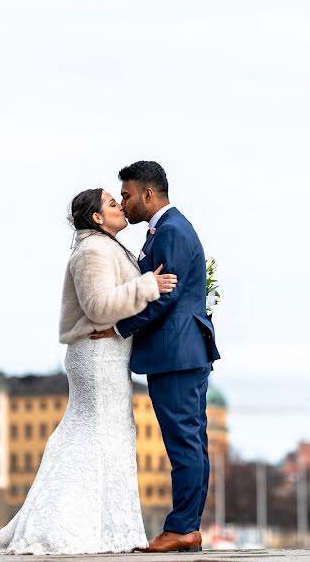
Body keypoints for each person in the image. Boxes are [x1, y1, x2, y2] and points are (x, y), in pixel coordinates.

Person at [0, 188, 177, 555]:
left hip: (106, 355)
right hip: (97, 356)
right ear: (97, 218)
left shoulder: (104, 247)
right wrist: (148, 286)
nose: (121, 205)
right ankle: (70, 527)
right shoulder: (92, 251)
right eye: (112, 202)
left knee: (98, 435)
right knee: (98, 434)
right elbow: (99, 306)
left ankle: (99, 527)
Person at [91, 160, 220, 553]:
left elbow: (166, 296)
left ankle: (182, 527)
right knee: (192, 442)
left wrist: (118, 328)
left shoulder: (171, 231)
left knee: (184, 444)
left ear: (149, 194)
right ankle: (188, 527)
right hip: (182, 352)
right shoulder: (169, 229)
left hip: (175, 354)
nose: (125, 203)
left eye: (127, 195)